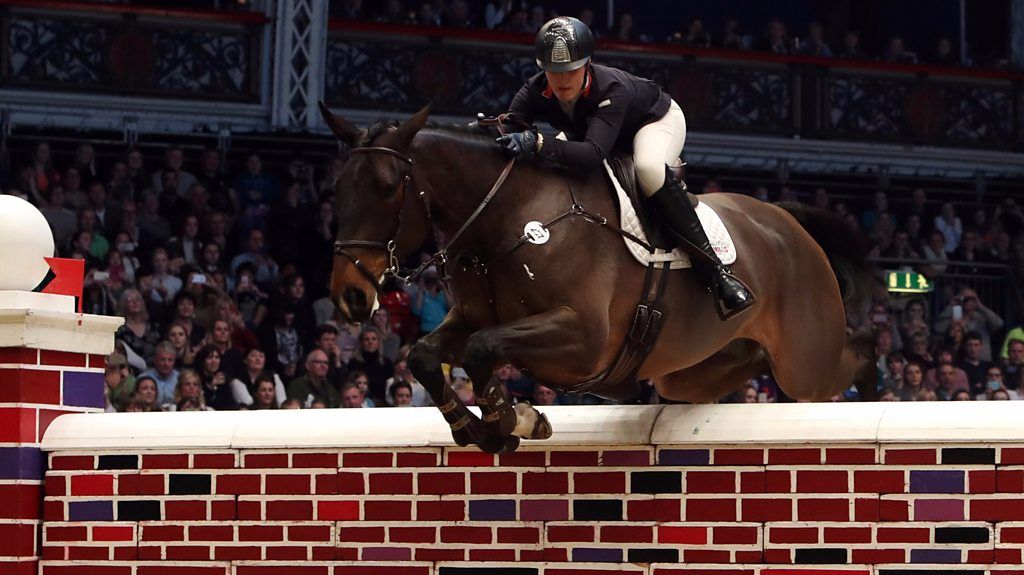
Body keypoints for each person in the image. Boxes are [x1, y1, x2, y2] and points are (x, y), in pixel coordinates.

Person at [498, 16, 752, 317]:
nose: (563, 79)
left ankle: (717, 272)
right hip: (600, 131)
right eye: (554, 71)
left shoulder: (611, 89)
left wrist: (538, 143)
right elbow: (510, 126)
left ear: (587, 63)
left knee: (648, 169)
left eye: (571, 69)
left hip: (654, 122)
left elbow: (592, 154)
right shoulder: (535, 89)